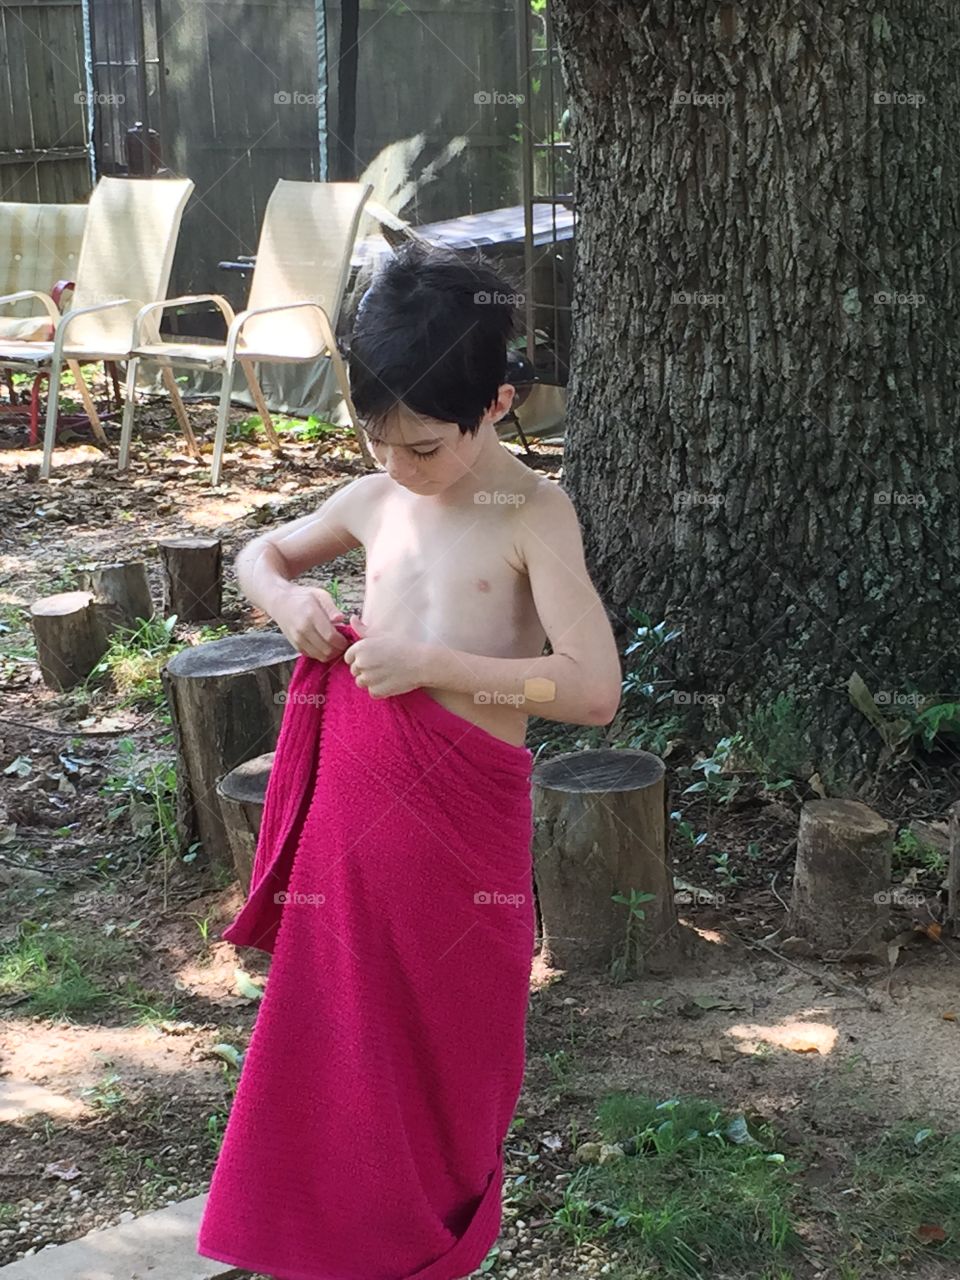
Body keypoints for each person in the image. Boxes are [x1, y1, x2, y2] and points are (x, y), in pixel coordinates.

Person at [195, 241, 622, 1280]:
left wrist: (434, 664)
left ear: (497, 403)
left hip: (459, 857)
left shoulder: (532, 513)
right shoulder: (375, 497)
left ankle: (429, 1248)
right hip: (354, 835)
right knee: (339, 1044)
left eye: (424, 446)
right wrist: (286, 600)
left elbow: (591, 691)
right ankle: (328, 1240)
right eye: (375, 439)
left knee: (451, 1061)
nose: (398, 467)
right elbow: (259, 553)